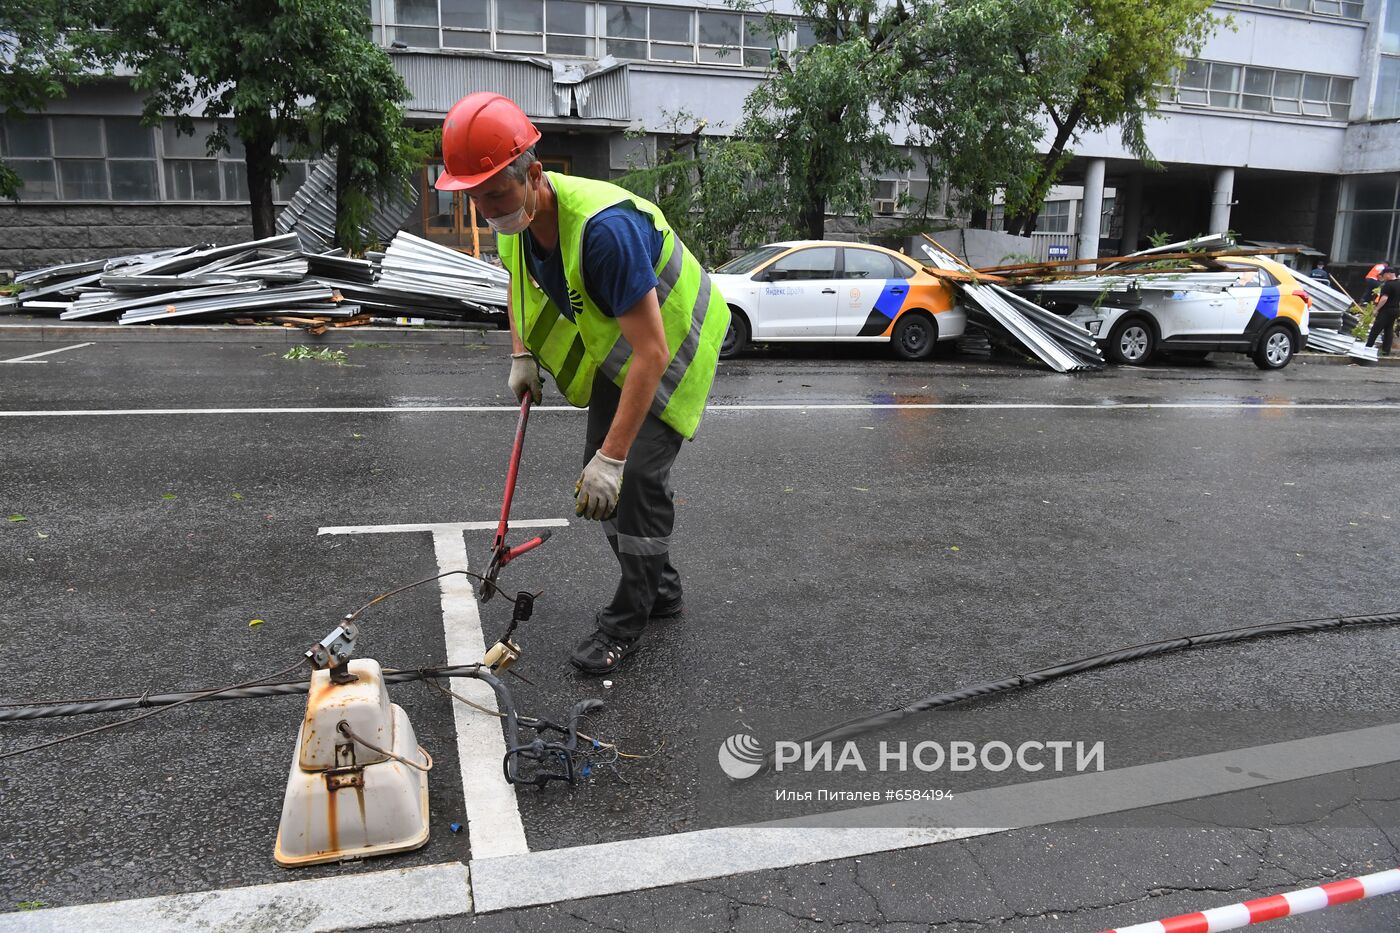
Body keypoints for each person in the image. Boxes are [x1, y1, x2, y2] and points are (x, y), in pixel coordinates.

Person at [435, 92, 730, 676]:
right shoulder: (512, 219)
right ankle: (660, 587)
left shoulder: (604, 231)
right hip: (620, 355)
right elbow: (518, 283)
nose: (487, 210)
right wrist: (521, 354)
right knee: (601, 489)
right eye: (475, 197)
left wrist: (615, 458)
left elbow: (653, 350)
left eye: (495, 193)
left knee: (634, 478)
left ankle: (628, 620)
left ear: (535, 175)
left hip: (671, 347)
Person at [1364, 265, 1400, 356]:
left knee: (1376, 328)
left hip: (1386, 310)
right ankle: (1386, 351)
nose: (1382, 277)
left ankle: (1368, 347)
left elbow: (1384, 298)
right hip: (1395, 309)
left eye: (1383, 275)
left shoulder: (1388, 285)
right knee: (1388, 329)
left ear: (1388, 274)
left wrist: (1376, 309)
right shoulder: (1399, 283)